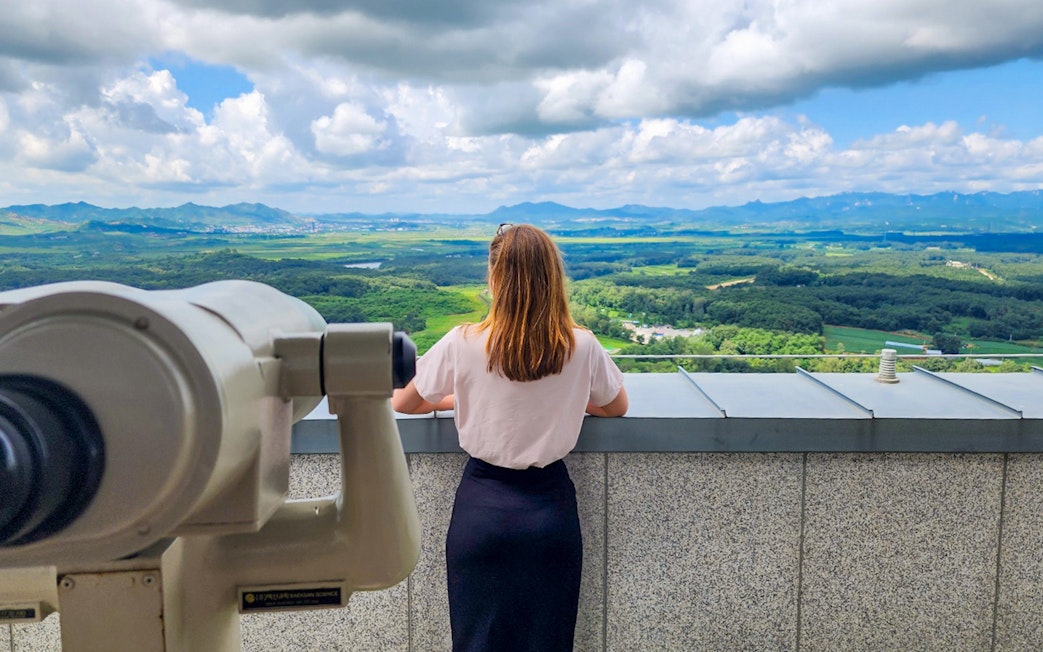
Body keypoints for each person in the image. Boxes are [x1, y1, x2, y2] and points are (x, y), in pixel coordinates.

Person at [392, 223, 628, 651]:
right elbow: (616, 406)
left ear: (496, 278)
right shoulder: (582, 345)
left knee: (477, 641)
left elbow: (405, 403)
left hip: (481, 511)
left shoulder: (462, 341)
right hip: (550, 512)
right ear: (552, 278)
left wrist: (461, 399)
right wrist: (569, 402)